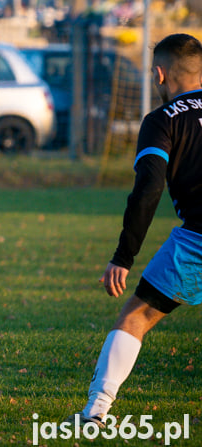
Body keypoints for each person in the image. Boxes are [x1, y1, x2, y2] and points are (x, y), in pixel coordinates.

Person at [68, 33, 202, 426]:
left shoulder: (162, 121)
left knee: (136, 316)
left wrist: (123, 256)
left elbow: (148, 189)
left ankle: (96, 410)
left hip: (197, 239)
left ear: (160, 74)